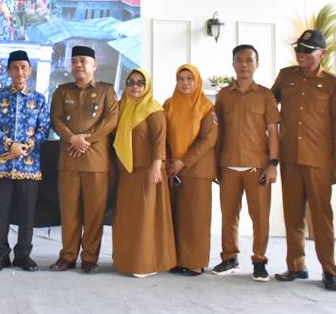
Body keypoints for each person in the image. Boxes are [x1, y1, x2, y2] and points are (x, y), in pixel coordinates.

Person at [271, 30, 336, 290]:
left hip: (319, 161)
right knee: (292, 215)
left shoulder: (333, 84)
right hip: (290, 158)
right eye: (298, 49)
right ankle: (296, 266)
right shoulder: (286, 76)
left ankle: (329, 270)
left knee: (322, 218)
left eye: (307, 50)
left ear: (322, 53)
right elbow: (269, 104)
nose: (300, 54)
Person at [212, 44, 280, 282]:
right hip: (228, 165)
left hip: (256, 166)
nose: (244, 65)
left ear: (256, 64)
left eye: (249, 60)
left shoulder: (265, 95)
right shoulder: (223, 95)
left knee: (259, 217)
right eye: (239, 60)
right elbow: (215, 131)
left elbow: (273, 130)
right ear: (233, 64)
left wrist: (273, 163)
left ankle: (259, 260)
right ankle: (229, 257)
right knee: (228, 215)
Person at [49, 45, 118, 274]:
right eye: (75, 61)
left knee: (94, 213)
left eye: (84, 61)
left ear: (94, 65)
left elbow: (110, 121)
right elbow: (56, 120)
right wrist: (72, 138)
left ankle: (90, 257)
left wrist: (86, 140)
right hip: (68, 162)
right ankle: (67, 256)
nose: (78, 65)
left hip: (96, 163)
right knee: (69, 213)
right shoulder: (62, 91)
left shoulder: (107, 91)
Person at [0, 50, 51, 272]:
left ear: (30, 70)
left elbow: (44, 129)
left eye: (23, 67)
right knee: (2, 210)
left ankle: (23, 254)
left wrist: (25, 147)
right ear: (8, 70)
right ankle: (0, 255)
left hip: (28, 165)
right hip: (2, 163)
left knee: (27, 211)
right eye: (15, 67)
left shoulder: (39, 99)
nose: (19, 71)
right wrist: (9, 145)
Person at [112, 68, 175, 277]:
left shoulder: (153, 110)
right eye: (130, 82)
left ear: (147, 86)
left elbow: (160, 140)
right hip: (128, 172)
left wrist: (157, 165)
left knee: (145, 220)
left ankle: (146, 263)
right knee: (128, 219)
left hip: (147, 172)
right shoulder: (122, 107)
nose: (135, 87)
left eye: (140, 83)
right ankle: (126, 260)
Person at [165, 64, 218, 277]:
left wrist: (182, 161)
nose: (185, 83)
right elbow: (163, 135)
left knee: (196, 218)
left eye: (190, 79)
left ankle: (195, 262)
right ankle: (176, 260)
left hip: (197, 169)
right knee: (176, 216)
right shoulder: (169, 104)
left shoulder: (207, 107)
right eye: (181, 78)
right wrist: (170, 160)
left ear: (198, 81)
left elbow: (208, 140)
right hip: (172, 169)